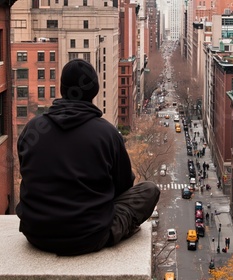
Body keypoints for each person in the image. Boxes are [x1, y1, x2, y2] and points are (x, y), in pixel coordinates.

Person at [16, 59, 160, 256]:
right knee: (149, 190)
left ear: (62, 89)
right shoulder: (107, 134)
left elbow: (27, 172)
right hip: (89, 237)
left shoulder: (32, 129)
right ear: (94, 92)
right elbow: (123, 187)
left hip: (36, 233)